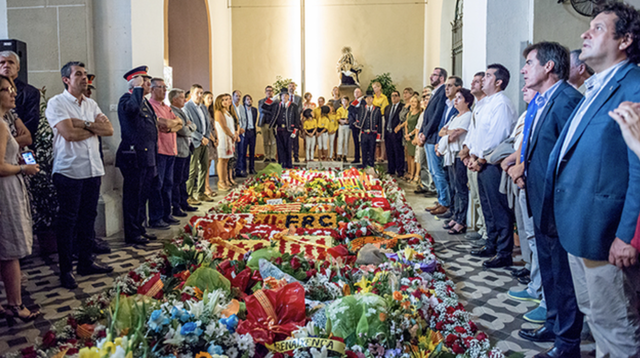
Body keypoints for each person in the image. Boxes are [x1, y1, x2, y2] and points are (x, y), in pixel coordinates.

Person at [545, 4, 640, 356]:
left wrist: (628, 235)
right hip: (580, 226)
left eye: (597, 28)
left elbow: (638, 165)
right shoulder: (597, 86)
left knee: (617, 326)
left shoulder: (634, 86)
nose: (585, 33)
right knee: (596, 318)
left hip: (608, 233)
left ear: (625, 40)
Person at [46, 61, 114, 289]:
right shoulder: (57, 102)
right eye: (79, 74)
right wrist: (92, 127)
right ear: (66, 79)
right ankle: (66, 270)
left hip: (92, 169)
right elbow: (68, 134)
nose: (85, 78)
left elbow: (109, 130)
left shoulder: (91, 103)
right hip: (69, 171)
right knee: (68, 221)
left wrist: (82, 123)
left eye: (85, 74)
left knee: (88, 217)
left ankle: (85, 262)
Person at [462, 64, 517, 269]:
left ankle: (504, 252)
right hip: (481, 161)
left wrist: (481, 159)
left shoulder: (501, 104)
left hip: (493, 163)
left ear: (499, 82)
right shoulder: (485, 104)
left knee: (499, 209)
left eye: (487, 76)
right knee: (487, 207)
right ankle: (491, 244)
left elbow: (497, 137)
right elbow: (477, 134)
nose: (483, 79)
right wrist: (472, 155)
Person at [0, 74, 41, 325]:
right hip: (5, 190)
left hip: (7, 185)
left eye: (12, 89)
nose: (13, 93)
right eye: (6, 89)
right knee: (10, 248)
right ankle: (16, 305)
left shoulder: (5, 120)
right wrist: (23, 169)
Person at [147, 78, 183, 229]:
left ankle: (167, 214)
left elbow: (179, 123)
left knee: (168, 184)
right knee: (158, 185)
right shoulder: (151, 106)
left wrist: (170, 126)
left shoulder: (167, 107)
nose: (164, 90)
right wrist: (171, 125)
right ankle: (156, 217)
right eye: (161, 87)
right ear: (152, 89)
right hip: (160, 150)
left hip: (171, 150)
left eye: (165, 87)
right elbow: (165, 123)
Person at [437, 88, 473, 235]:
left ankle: (461, 221)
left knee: (460, 188)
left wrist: (448, 132)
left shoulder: (468, 116)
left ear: (468, 101)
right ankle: (455, 215)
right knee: (454, 187)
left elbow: (456, 134)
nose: (456, 100)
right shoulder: (455, 117)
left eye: (459, 98)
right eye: (455, 98)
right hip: (450, 155)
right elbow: (442, 132)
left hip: (458, 155)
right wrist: (449, 132)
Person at [418, 68, 449, 214]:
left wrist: (425, 133)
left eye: (435, 75)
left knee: (437, 172)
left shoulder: (442, 92)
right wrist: (420, 132)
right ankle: (440, 200)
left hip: (433, 137)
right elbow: (426, 116)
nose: (431, 76)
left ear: (442, 78)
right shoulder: (435, 92)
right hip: (428, 136)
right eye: (432, 74)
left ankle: (444, 202)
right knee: (432, 171)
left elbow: (436, 116)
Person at [464, 72, 489, 243]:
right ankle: (481, 227)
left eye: (477, 82)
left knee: (483, 198)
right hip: (472, 157)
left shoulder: (490, 105)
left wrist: (476, 156)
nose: (472, 84)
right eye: (472, 81)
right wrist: (467, 152)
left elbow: (488, 136)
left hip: (482, 160)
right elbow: (473, 134)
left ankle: (487, 233)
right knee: (476, 197)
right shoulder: (477, 106)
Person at [169, 88, 198, 217]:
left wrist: (189, 125)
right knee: (177, 180)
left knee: (184, 177)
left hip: (186, 148)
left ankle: (184, 202)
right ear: (174, 99)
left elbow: (193, 126)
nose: (184, 100)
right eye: (181, 97)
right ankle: (176, 206)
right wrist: (188, 126)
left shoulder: (181, 111)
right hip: (179, 149)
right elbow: (183, 131)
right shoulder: (172, 111)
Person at [0, 51, 40, 143]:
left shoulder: (30, 92)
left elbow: (31, 125)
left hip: (23, 148)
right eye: (2, 62)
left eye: (11, 62)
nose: (6, 65)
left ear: (18, 67)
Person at [184, 84, 213, 204]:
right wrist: (201, 137)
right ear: (191, 94)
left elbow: (207, 124)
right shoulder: (187, 107)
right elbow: (189, 125)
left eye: (201, 93)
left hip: (204, 141)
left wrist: (206, 137)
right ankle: (189, 195)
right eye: (197, 93)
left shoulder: (203, 107)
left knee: (204, 167)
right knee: (192, 170)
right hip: (194, 141)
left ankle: (201, 193)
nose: (200, 95)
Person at [266, 88, 300, 169]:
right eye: (282, 95)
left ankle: (289, 166)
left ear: (288, 96)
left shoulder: (293, 106)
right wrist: (274, 97)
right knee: (280, 149)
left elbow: (297, 119)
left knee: (288, 149)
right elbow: (265, 106)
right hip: (279, 130)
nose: (284, 97)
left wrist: (295, 131)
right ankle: (281, 166)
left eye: (285, 95)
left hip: (289, 130)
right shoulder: (277, 105)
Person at [214, 94, 238, 190]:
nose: (225, 101)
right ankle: (221, 181)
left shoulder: (227, 112)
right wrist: (232, 135)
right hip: (223, 139)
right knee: (221, 160)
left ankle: (225, 180)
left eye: (226, 99)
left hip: (229, 139)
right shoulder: (218, 112)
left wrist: (234, 134)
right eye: (223, 100)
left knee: (226, 161)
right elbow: (224, 127)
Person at [359, 90, 382, 168]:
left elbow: (380, 123)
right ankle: (364, 167)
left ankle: (371, 168)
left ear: (373, 99)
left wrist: (379, 135)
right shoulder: (361, 108)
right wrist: (359, 99)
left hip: (373, 134)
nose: (369, 100)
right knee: (364, 151)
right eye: (367, 98)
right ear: (365, 99)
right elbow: (351, 107)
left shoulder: (377, 109)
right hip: (364, 133)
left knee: (372, 151)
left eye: (370, 98)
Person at [385, 91, 405, 178]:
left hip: (397, 133)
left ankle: (400, 170)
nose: (393, 97)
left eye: (395, 96)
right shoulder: (388, 107)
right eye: (392, 96)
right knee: (390, 152)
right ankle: (391, 169)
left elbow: (403, 120)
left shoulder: (402, 107)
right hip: (388, 133)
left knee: (398, 152)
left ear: (399, 97)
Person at [202, 91, 217, 198]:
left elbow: (213, 125)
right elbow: (206, 128)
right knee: (205, 164)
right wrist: (212, 138)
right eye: (208, 98)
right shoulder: (202, 111)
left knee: (209, 163)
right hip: (207, 138)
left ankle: (208, 186)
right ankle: (205, 186)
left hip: (213, 138)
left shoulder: (210, 111)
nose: (210, 100)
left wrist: (217, 138)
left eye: (212, 98)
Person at [403, 95, 421, 181]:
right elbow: (406, 124)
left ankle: (416, 175)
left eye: (415, 102)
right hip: (408, 136)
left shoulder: (420, 113)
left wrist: (410, 134)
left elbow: (418, 126)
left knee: (415, 157)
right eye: (412, 101)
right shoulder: (409, 113)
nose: (413, 103)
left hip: (414, 136)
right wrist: (406, 134)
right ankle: (411, 173)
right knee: (410, 156)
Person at [258, 86, 276, 162]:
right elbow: (261, 110)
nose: (269, 92)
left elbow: (275, 112)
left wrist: (267, 109)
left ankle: (272, 156)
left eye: (270, 91)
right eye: (267, 91)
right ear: (265, 92)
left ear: (273, 92)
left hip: (272, 123)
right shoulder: (261, 101)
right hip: (264, 123)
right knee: (265, 141)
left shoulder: (276, 101)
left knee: (273, 141)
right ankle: (266, 156)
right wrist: (270, 110)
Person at [232, 90, 248, 177]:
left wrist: (243, 128)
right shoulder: (231, 107)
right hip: (234, 133)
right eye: (236, 96)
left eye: (239, 96)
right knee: (234, 153)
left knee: (241, 152)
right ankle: (232, 171)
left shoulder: (242, 107)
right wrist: (236, 131)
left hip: (241, 133)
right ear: (233, 97)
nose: (238, 98)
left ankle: (239, 170)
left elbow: (244, 119)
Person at [371, 81, 388, 162]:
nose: (374, 89)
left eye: (375, 87)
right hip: (373, 118)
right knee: (373, 136)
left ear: (379, 87)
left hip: (381, 117)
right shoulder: (373, 97)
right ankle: (374, 156)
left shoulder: (383, 98)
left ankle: (382, 156)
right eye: (373, 88)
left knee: (382, 137)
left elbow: (384, 108)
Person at [286, 82, 303, 163]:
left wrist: (294, 115)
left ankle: (296, 156)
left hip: (295, 121)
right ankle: (287, 156)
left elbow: (300, 109)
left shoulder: (298, 98)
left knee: (295, 140)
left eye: (293, 86)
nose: (291, 88)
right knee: (287, 139)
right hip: (286, 122)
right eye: (290, 86)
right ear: (287, 88)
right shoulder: (284, 97)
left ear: (295, 88)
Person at [241, 94, 258, 174]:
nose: (249, 101)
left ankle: (252, 168)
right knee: (243, 151)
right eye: (247, 99)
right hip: (245, 131)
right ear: (244, 101)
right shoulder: (242, 110)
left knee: (252, 151)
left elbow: (254, 121)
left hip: (252, 132)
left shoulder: (254, 110)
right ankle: (244, 169)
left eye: (250, 99)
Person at [348, 88, 364, 164]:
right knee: (356, 142)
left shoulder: (364, 102)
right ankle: (356, 158)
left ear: (361, 93)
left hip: (362, 126)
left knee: (363, 142)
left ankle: (365, 158)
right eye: (355, 92)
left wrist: (360, 122)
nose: (356, 93)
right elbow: (350, 113)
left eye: (358, 92)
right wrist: (353, 122)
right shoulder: (352, 103)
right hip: (354, 125)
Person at [336, 96, 350, 162]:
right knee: (340, 140)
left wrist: (347, 121)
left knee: (346, 140)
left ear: (348, 101)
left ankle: (345, 155)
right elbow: (337, 117)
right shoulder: (339, 109)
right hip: (341, 124)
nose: (344, 102)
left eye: (346, 101)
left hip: (347, 125)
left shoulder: (350, 108)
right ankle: (339, 155)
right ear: (342, 101)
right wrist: (342, 121)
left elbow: (350, 117)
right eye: (343, 101)